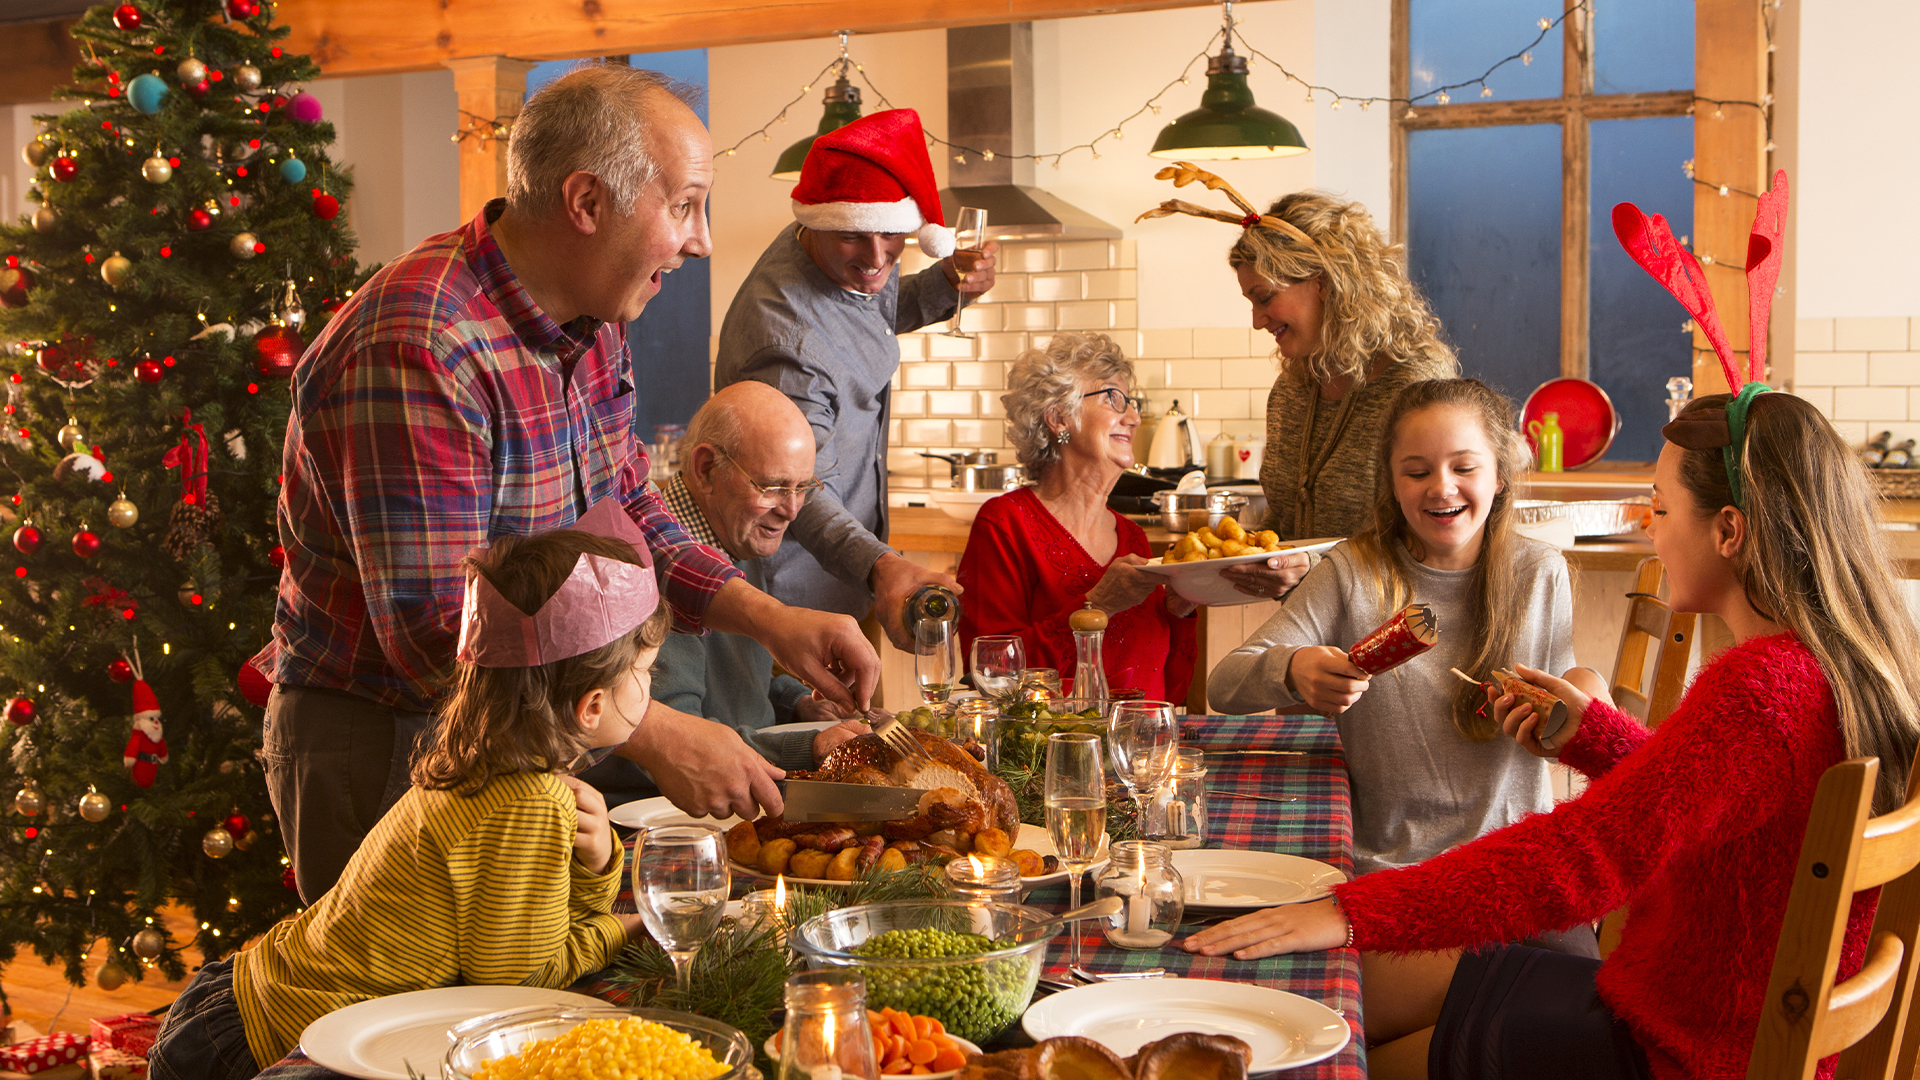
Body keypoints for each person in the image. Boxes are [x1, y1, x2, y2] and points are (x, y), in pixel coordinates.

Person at [1185, 182, 1920, 1080]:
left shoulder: (1761, 689)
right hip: (1676, 1012)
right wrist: (1589, 730)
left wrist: (1352, 911)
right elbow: (1690, 796)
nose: (1651, 527)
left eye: (1659, 507)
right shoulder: (1815, 669)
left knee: (1309, 1018)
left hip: (1666, 1049)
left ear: (1729, 531)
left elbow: (1583, 856)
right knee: (1337, 1016)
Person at [256, 64, 877, 904]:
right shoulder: (422, 344)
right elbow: (444, 636)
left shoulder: (594, 320)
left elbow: (629, 518)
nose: (700, 240)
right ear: (588, 203)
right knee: (409, 1021)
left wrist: (770, 620)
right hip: (390, 739)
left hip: (525, 725)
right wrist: (655, 734)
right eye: (685, 204)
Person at [151, 507, 666, 1079]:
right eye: (647, 670)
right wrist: (625, 924)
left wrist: (595, 866)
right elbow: (525, 987)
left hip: (240, 998)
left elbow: (525, 941)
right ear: (591, 706)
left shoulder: (481, 765)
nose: (651, 683)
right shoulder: (527, 802)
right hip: (264, 1044)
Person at [1208, 380, 1586, 907]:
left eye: (1464, 467)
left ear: (1500, 476)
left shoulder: (1540, 573)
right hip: (1388, 875)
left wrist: (1581, 698)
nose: (1441, 487)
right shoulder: (1351, 572)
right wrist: (1293, 669)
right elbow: (1223, 685)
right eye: (1416, 471)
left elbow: (1567, 688)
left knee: (1582, 986)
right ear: (1391, 481)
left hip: (1512, 871)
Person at [715, 108, 997, 651]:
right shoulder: (787, 342)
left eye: (892, 234)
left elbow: (866, 311)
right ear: (819, 223)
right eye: (854, 238)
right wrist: (883, 566)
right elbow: (798, 491)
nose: (876, 257)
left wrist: (945, 283)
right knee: (816, 734)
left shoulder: (830, 245)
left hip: (845, 581)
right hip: (793, 604)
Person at [1139, 165, 1457, 602]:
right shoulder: (1292, 392)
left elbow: (1441, 537)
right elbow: (1286, 527)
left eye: (1265, 297)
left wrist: (1315, 568)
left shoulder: (1417, 386)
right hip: (1312, 634)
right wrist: (1239, 561)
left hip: (1401, 633)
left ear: (1327, 282)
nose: (1256, 321)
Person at [579, 382, 873, 807]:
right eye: (772, 486)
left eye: (803, 487)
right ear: (706, 469)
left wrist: (798, 703)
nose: (791, 509)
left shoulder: (736, 533)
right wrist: (808, 748)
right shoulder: (652, 571)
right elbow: (680, 748)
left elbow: (735, 692)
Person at [956, 333, 1197, 703]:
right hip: (1048, 757)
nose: (1132, 418)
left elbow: (1172, 692)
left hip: (1140, 754)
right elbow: (990, 676)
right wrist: (1097, 605)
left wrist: (1180, 612)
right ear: (1059, 417)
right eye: (1113, 398)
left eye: (1129, 402)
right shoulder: (1005, 525)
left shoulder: (1132, 537)